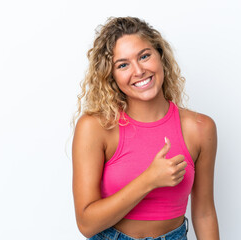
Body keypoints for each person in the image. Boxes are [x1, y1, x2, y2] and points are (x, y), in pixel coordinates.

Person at [72, 17, 219, 240]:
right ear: (111, 76)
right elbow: (86, 224)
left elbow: (205, 213)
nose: (139, 70)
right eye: (123, 65)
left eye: (144, 56)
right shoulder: (96, 127)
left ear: (160, 56)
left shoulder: (200, 128)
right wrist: (149, 180)